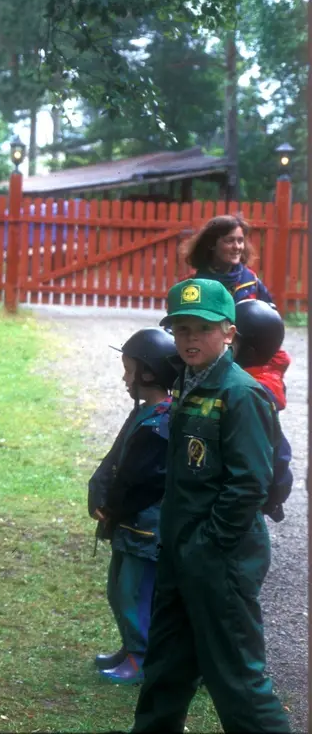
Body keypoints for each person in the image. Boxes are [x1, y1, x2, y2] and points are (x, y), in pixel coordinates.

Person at [131, 278, 290, 734]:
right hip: (181, 552)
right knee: (165, 667)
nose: (189, 339)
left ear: (228, 333)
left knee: (236, 679)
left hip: (220, 558)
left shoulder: (239, 393)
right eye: (180, 329)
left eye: (201, 329)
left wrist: (207, 545)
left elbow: (248, 485)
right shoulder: (189, 383)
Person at [86, 328, 178, 685]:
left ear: (149, 373)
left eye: (129, 370)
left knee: (135, 592)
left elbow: (145, 480)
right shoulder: (144, 412)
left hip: (144, 528)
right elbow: (116, 461)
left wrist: (113, 507)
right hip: (127, 524)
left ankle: (142, 657)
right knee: (118, 589)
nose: (125, 378)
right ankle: (131, 646)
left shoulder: (163, 423)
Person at [232, 298, 293, 523]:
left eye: (231, 341)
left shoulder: (255, 389)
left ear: (247, 351)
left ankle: (273, 497)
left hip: (258, 482)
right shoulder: (265, 361)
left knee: (272, 449)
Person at [181, 215, 274, 303]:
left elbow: (271, 316)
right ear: (211, 244)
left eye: (240, 241)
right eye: (230, 241)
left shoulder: (251, 281)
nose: (237, 247)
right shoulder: (194, 285)